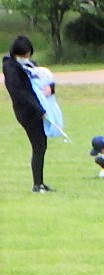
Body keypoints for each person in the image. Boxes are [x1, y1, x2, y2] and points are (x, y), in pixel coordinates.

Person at [3, 35, 53, 192]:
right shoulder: (11, 69)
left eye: (28, 54)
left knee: (42, 145)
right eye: (24, 55)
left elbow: (43, 80)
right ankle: (37, 185)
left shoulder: (28, 66)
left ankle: (40, 183)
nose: (27, 58)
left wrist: (51, 88)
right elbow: (20, 94)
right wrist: (39, 111)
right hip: (27, 113)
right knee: (39, 145)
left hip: (37, 109)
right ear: (16, 54)